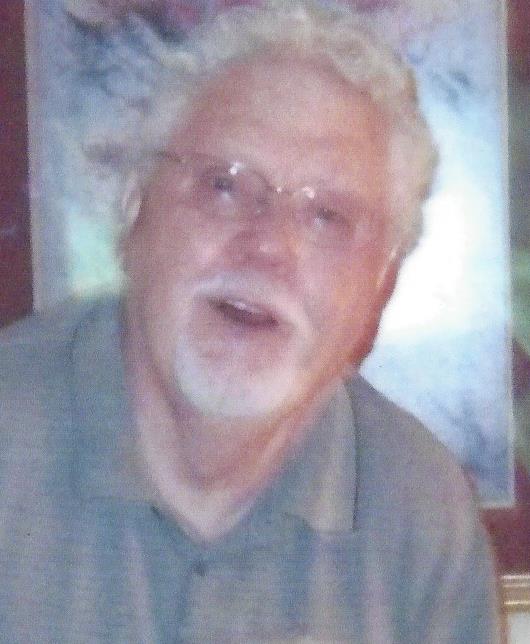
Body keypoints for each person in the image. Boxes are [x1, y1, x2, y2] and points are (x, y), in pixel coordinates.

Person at [0, 1, 501, 641]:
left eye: (328, 217)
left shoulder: (419, 514)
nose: (269, 246)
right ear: (134, 206)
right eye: (226, 184)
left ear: (380, 285)